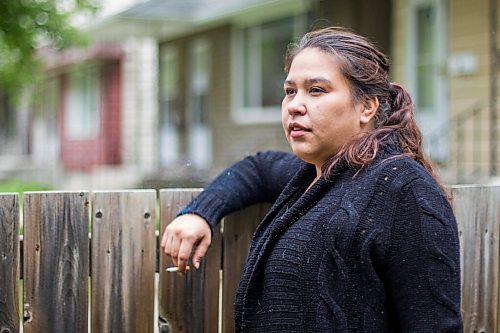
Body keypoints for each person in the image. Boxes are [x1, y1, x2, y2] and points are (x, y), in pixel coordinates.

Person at [161, 26, 463, 332]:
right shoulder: (311, 176)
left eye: (316, 90)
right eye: (290, 91)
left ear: (367, 106)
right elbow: (259, 168)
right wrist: (200, 212)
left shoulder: (405, 189)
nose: (294, 105)